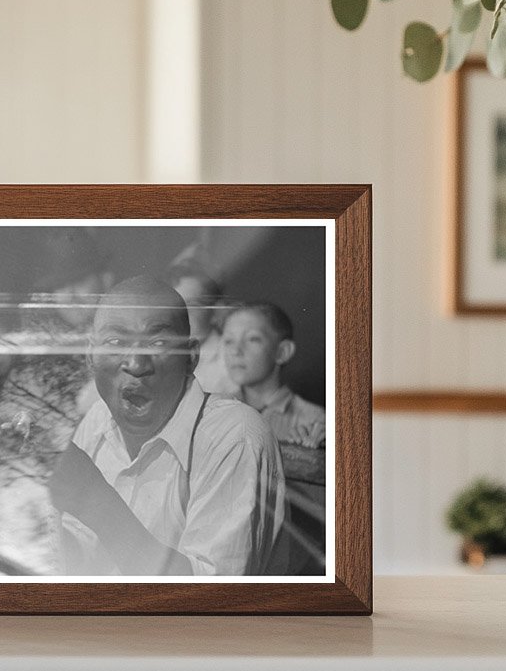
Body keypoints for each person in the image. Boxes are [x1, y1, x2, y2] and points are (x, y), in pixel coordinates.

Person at [48, 276, 286, 577]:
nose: (136, 363)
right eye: (116, 342)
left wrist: (99, 505)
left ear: (191, 359)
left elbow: (210, 605)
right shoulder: (96, 422)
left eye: (158, 342)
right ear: (91, 357)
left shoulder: (236, 436)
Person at [220, 302, 325, 449]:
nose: (236, 351)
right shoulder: (215, 411)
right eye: (229, 341)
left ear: (283, 352)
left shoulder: (315, 422)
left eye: (252, 339)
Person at [167, 245, 236, 396]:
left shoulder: (231, 361)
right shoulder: (167, 351)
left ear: (215, 312)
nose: (181, 315)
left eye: (192, 305)